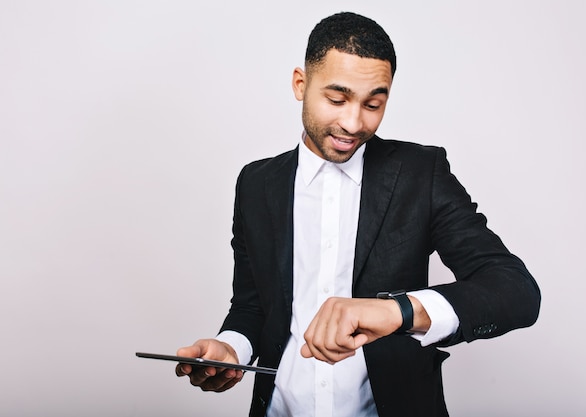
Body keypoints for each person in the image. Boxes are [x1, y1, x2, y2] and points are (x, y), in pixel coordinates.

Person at [175, 11, 541, 417]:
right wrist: (231, 348)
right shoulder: (255, 184)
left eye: (373, 104)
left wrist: (398, 311)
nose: (353, 122)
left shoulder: (422, 174)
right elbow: (253, 305)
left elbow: (516, 291)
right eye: (337, 99)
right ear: (301, 84)